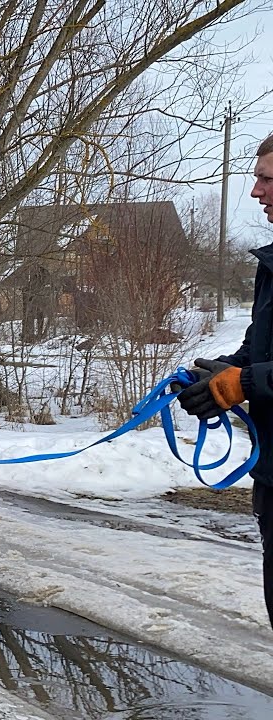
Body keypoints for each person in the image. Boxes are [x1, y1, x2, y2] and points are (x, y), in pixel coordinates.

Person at [177, 132, 273, 629]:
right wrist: (214, 377)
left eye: (267, 179)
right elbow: (257, 350)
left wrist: (246, 384)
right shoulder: (272, 265)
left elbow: (256, 375)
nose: (256, 192)